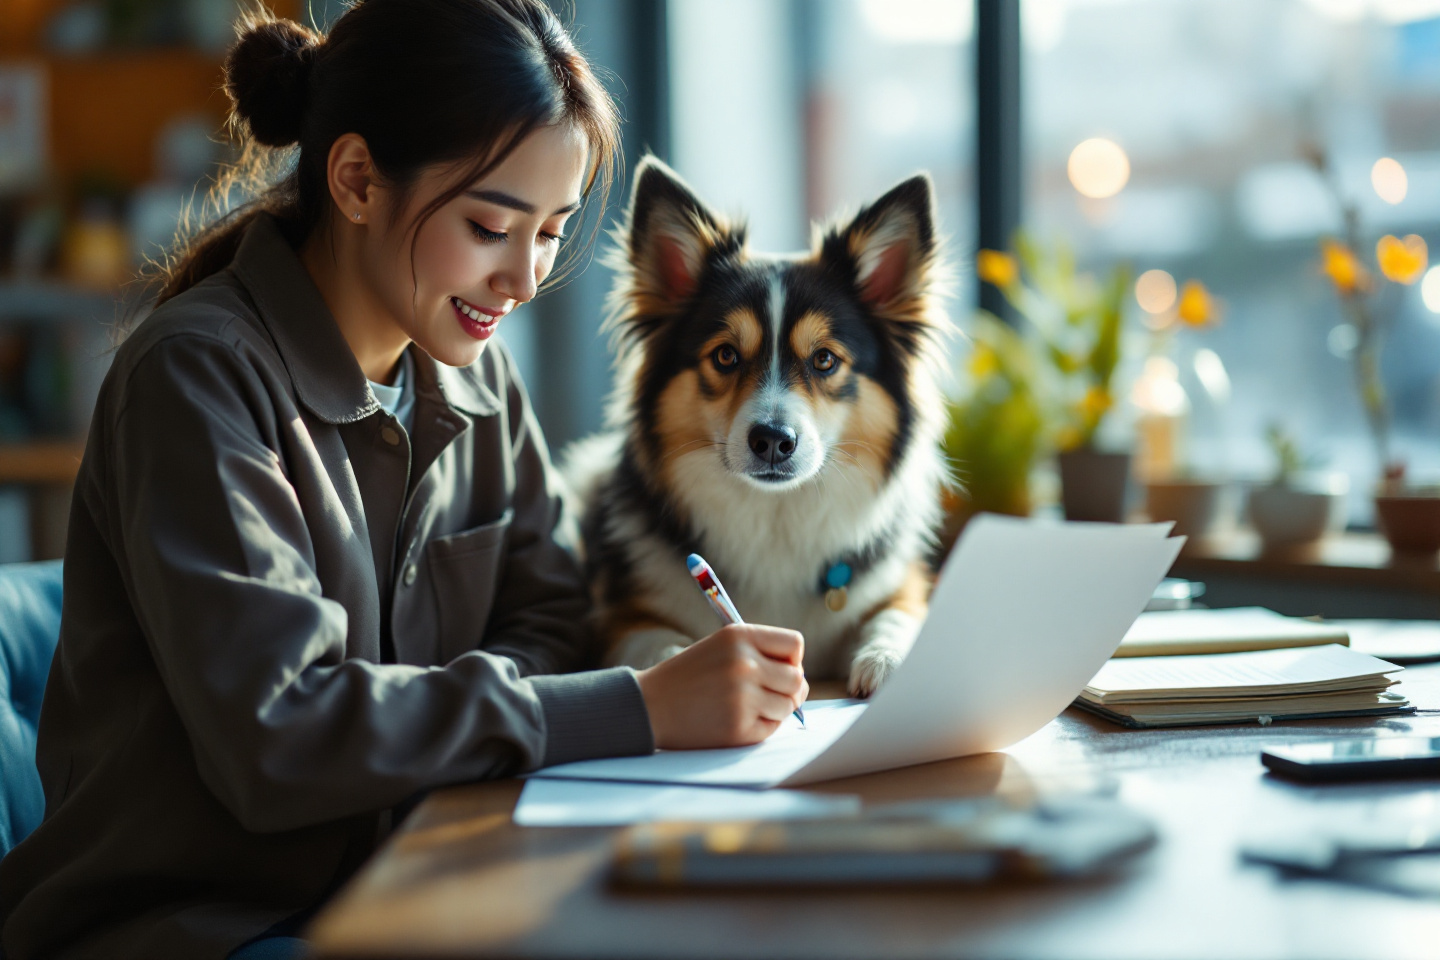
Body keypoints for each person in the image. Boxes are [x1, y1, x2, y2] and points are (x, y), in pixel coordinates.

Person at [0, 2, 808, 957]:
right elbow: (282, 738)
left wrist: (415, 727)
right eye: (489, 226)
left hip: (425, 868)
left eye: (549, 233)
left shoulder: (472, 368)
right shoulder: (196, 376)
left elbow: (548, 615)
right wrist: (633, 707)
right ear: (354, 181)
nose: (523, 278)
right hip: (203, 926)